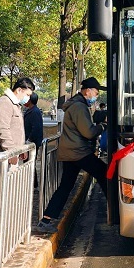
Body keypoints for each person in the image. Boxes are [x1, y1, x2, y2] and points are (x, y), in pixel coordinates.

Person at [35, 77, 108, 233]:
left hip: (70, 152)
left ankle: (45, 220)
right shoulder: (79, 107)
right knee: (105, 173)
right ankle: (114, 208)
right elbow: (88, 132)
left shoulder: (75, 105)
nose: (96, 96)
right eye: (95, 93)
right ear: (87, 91)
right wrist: (102, 126)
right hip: (78, 152)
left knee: (65, 186)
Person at [0, 77, 35, 235]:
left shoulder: (14, 104)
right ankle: (1, 224)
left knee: (3, 190)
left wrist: (20, 149)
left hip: (8, 154)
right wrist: (11, 151)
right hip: (1, 154)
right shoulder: (4, 103)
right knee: (11, 189)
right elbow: (3, 130)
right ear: (19, 90)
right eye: (26, 94)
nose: (27, 98)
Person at [23, 92, 43, 188]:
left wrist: (29, 139)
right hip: (29, 142)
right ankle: (30, 184)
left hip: (32, 143)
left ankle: (32, 185)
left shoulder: (35, 112)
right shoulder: (30, 110)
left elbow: (36, 128)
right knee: (28, 163)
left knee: (30, 163)